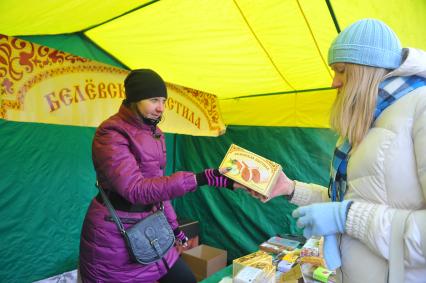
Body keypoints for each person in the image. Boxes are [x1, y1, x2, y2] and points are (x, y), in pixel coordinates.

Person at [252, 19, 426, 282]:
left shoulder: (420, 107)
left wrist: (346, 217)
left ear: (366, 69)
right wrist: (290, 188)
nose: (334, 82)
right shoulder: (371, 118)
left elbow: (347, 212)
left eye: (342, 70)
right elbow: (348, 200)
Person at [79, 69, 237, 283]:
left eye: (163, 100)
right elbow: (136, 190)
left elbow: (158, 191)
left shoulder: (155, 133)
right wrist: (201, 178)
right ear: (135, 98)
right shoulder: (111, 133)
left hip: (151, 227)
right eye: (154, 100)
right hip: (114, 238)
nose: (161, 107)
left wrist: (174, 229)